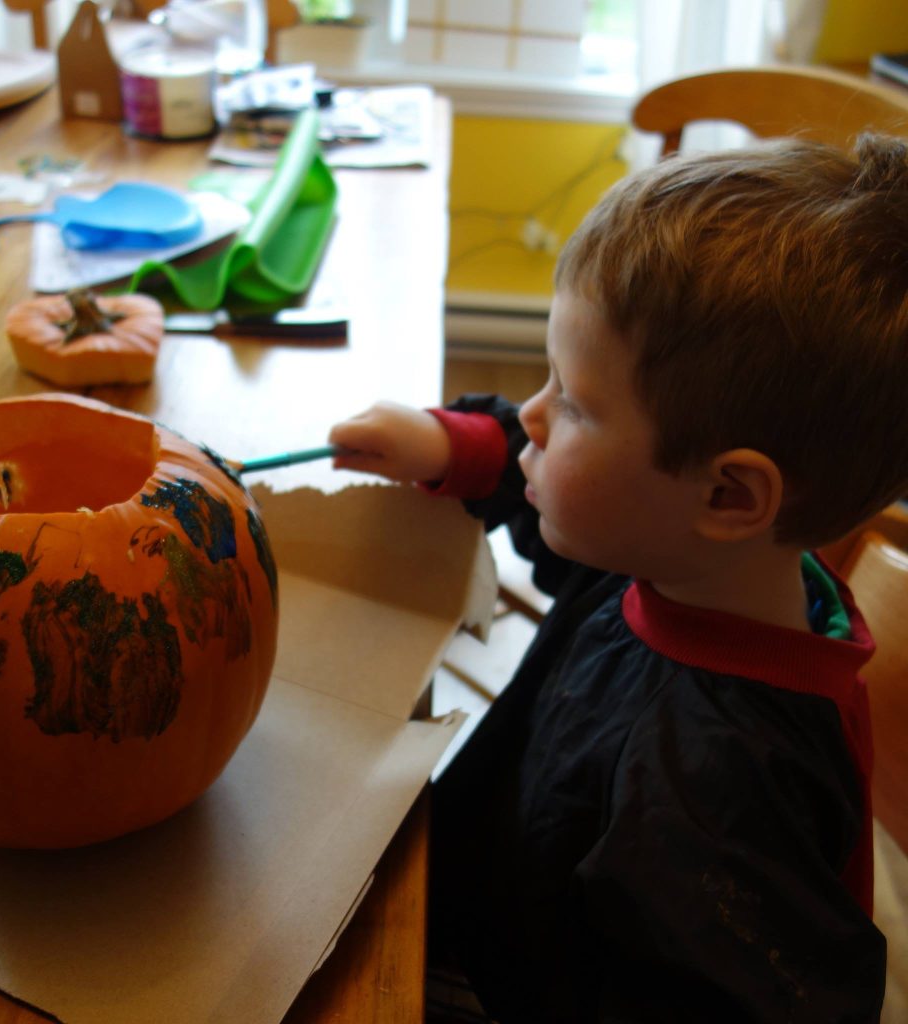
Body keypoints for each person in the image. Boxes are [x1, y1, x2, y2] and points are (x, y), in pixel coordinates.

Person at [327, 133, 908, 1022]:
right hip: (476, 890)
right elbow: (562, 527)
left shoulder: (714, 803)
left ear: (727, 493)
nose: (531, 412)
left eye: (573, 401)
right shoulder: (684, 563)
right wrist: (463, 446)